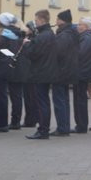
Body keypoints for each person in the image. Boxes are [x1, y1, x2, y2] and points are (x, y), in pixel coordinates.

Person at [25, 9, 58, 140]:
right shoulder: (50, 34)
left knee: (41, 102)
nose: (35, 22)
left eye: (36, 20)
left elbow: (32, 54)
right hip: (47, 71)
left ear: (42, 20)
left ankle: (43, 129)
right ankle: (44, 128)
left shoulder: (42, 36)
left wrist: (27, 45)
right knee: (44, 101)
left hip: (40, 72)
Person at [0, 12, 27, 132]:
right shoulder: (19, 33)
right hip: (18, 67)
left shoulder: (2, 35)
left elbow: (0, 51)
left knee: (0, 95)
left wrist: (6, 54)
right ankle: (15, 121)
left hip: (2, 67)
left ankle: (1, 124)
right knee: (17, 95)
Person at [52, 9, 79, 137]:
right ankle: (65, 126)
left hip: (61, 71)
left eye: (57, 19)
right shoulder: (71, 33)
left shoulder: (64, 35)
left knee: (59, 101)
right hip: (68, 70)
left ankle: (62, 128)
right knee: (64, 100)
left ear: (62, 21)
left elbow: (58, 52)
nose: (56, 21)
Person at [73, 17, 91, 133]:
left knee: (80, 100)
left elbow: (80, 53)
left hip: (82, 72)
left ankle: (81, 125)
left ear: (87, 27)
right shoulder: (86, 37)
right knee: (79, 99)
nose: (78, 26)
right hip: (83, 71)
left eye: (80, 24)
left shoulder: (87, 38)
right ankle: (80, 125)